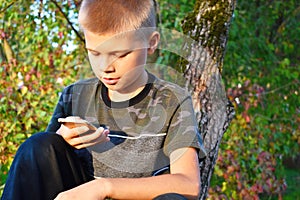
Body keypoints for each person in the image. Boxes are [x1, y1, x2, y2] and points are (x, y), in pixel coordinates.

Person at [1, 0, 206, 199]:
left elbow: (188, 184)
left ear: (151, 42)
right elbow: (43, 170)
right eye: (95, 53)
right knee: (38, 145)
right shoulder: (74, 95)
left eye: (120, 54)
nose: (105, 67)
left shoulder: (173, 100)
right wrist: (62, 138)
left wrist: (104, 187)